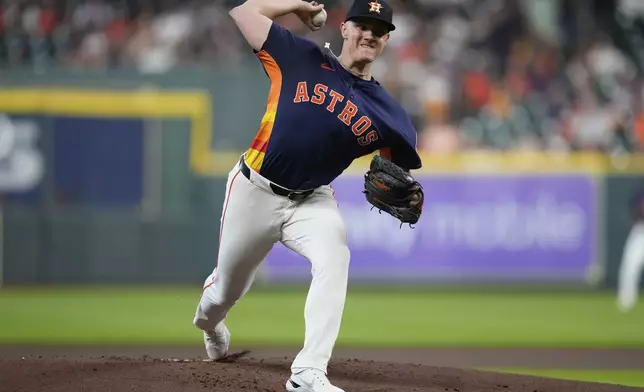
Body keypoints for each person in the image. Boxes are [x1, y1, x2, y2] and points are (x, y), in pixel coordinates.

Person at [192, 0, 422, 391]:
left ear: (385, 40)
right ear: (345, 28)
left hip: (312, 200)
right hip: (254, 188)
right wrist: (298, 6)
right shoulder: (299, 55)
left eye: (379, 29)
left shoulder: (391, 115)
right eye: (363, 25)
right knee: (223, 294)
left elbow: (397, 172)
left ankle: (308, 372)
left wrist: (410, 195)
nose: (370, 34)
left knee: (336, 255)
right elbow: (244, 12)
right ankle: (211, 325)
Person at [617, 184, 644, 312]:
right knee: (630, 265)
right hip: (640, 231)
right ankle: (627, 298)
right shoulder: (639, 191)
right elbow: (633, 207)